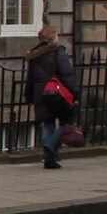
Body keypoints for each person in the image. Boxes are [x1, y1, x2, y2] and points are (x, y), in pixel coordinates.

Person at [26, 22, 77, 169]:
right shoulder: (58, 52)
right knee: (65, 122)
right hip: (57, 93)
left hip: (40, 93)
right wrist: (75, 92)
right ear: (52, 38)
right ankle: (49, 146)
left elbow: (30, 78)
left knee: (48, 124)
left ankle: (51, 159)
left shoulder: (35, 54)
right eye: (56, 35)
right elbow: (67, 74)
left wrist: (29, 96)